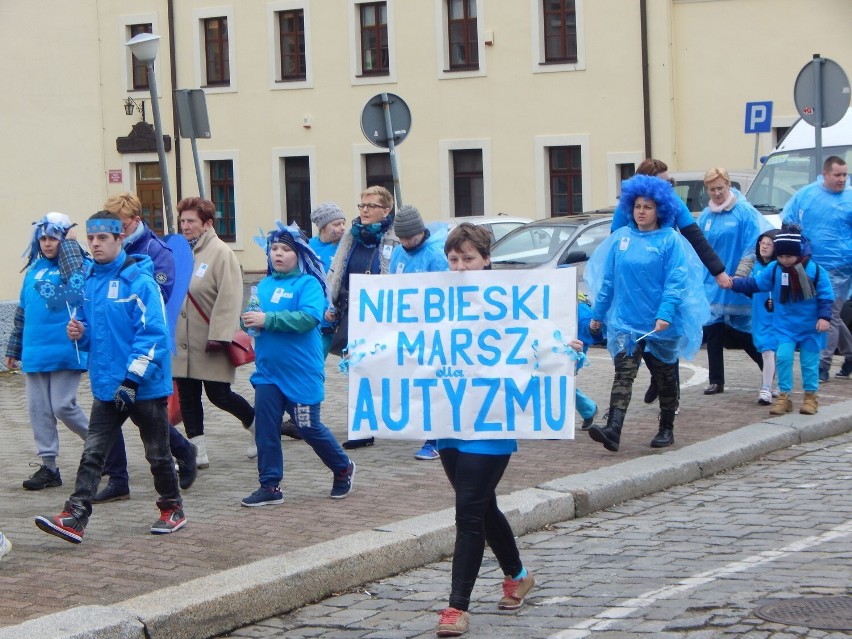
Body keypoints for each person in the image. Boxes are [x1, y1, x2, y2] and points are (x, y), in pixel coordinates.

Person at [35, 211, 185, 543]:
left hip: (142, 386)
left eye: (103, 238)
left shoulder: (140, 281)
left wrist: (131, 380)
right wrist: (81, 332)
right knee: (93, 453)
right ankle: (75, 515)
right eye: (91, 238)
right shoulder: (89, 279)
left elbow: (154, 336)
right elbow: (97, 335)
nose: (95, 244)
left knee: (157, 453)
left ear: (119, 239)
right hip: (106, 385)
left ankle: (171, 507)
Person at [434, 223, 535, 638]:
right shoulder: (434, 297)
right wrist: (367, 357)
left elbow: (544, 340)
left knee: (469, 511)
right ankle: (518, 574)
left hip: (492, 421)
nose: (459, 267)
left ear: (486, 258)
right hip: (450, 420)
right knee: (481, 504)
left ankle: (457, 607)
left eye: (468, 258)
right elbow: (404, 342)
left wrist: (570, 353)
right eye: (454, 259)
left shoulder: (511, 298)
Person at [587, 175, 708, 452]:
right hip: (627, 323)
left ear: (660, 210)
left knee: (665, 376)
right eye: (637, 206)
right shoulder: (621, 240)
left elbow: (676, 281)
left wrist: (665, 314)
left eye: (648, 207)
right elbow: (608, 281)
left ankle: (666, 426)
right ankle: (613, 428)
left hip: (660, 324)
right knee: (623, 374)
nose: (641, 211)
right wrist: (598, 314)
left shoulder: (670, 241)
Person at [239, 223, 355, 506]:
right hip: (268, 373)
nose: (277, 254)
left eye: (285, 250)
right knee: (266, 429)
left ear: (299, 254)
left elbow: (309, 318)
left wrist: (269, 320)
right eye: (274, 249)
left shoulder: (308, 284)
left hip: (301, 372)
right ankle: (270, 485)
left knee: (307, 427)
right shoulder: (263, 285)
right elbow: (257, 318)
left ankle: (342, 468)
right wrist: (249, 323)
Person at [93, 192, 197, 503]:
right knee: (110, 414)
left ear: (135, 222)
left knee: (146, 418)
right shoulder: (106, 250)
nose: (116, 233)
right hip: (111, 350)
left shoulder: (156, 250)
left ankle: (183, 451)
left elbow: (160, 296)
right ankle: (118, 479)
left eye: (121, 227)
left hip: (141, 351)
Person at [612, 159, 730, 407]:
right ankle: (658, 377)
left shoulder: (673, 203)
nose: (669, 185)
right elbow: (613, 244)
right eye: (664, 181)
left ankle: (669, 400)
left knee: (668, 337)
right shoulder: (628, 207)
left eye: (670, 181)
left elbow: (695, 237)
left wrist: (718, 271)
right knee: (638, 335)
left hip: (668, 279)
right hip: (636, 286)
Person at [6, 213, 90, 491]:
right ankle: (49, 467)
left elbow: (75, 279)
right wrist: (14, 348)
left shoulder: (76, 263)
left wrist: (69, 246)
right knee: (39, 410)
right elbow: (22, 311)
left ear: (65, 239)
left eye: (54, 238)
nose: (47, 243)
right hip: (35, 352)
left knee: (63, 405)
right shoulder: (34, 270)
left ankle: (102, 447)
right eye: (43, 238)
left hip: (66, 349)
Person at [173, 197, 255, 466]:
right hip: (182, 340)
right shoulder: (178, 252)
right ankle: (197, 451)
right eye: (182, 221)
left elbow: (230, 297)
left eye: (191, 221)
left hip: (211, 340)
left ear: (207, 223)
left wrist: (220, 335)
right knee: (188, 397)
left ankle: (258, 426)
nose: (185, 226)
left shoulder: (221, 252)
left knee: (219, 395)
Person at [729, 228, 833, 415]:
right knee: (783, 358)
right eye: (781, 256)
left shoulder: (815, 270)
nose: (784, 260)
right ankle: (784, 396)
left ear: (798, 253)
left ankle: (811, 397)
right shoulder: (775, 269)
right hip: (785, 326)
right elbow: (757, 284)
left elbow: (826, 296)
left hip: (811, 328)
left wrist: (824, 317)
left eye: (788, 256)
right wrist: (733, 283)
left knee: (809, 363)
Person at [326, 185, 399, 449]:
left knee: (386, 370)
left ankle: (397, 417)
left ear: (386, 210)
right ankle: (362, 429)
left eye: (371, 206)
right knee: (357, 370)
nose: (365, 210)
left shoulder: (393, 237)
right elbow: (337, 270)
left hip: (383, 316)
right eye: (362, 205)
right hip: (353, 313)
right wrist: (331, 300)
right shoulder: (351, 236)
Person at [696, 167, 769, 395]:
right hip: (713, 283)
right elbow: (700, 247)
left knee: (741, 331)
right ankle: (716, 380)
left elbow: (752, 245)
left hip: (736, 281)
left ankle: (768, 367)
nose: (717, 193)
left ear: (728, 185)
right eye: (712, 189)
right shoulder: (706, 216)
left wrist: (740, 277)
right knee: (713, 329)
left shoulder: (744, 212)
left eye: (720, 188)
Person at [781, 156, 852, 382]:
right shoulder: (806, 195)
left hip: (841, 267)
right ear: (825, 173)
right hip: (811, 265)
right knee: (832, 315)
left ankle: (824, 363)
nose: (842, 179)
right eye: (837, 174)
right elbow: (789, 222)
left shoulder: (850, 199)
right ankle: (850, 356)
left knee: (828, 313)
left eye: (845, 174)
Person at [388, 204, 450, 461]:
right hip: (409, 330)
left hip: (434, 331)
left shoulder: (436, 254)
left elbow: (446, 292)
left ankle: (435, 440)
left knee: (433, 384)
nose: (404, 242)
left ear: (420, 232)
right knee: (418, 383)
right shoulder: (397, 253)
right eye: (400, 238)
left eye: (408, 237)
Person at [734, 229, 780, 405]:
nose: (765, 246)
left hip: (775, 317)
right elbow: (752, 289)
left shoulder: (778, 268)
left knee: (770, 351)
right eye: (762, 243)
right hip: (760, 316)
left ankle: (766, 388)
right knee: (768, 352)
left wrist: (734, 284)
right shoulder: (757, 266)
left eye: (769, 244)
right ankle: (779, 386)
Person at [308, 201, 347, 358]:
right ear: (323, 227)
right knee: (313, 363)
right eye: (336, 224)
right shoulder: (308, 247)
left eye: (343, 223)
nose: (342, 228)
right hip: (315, 317)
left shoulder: (345, 246)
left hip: (338, 319)